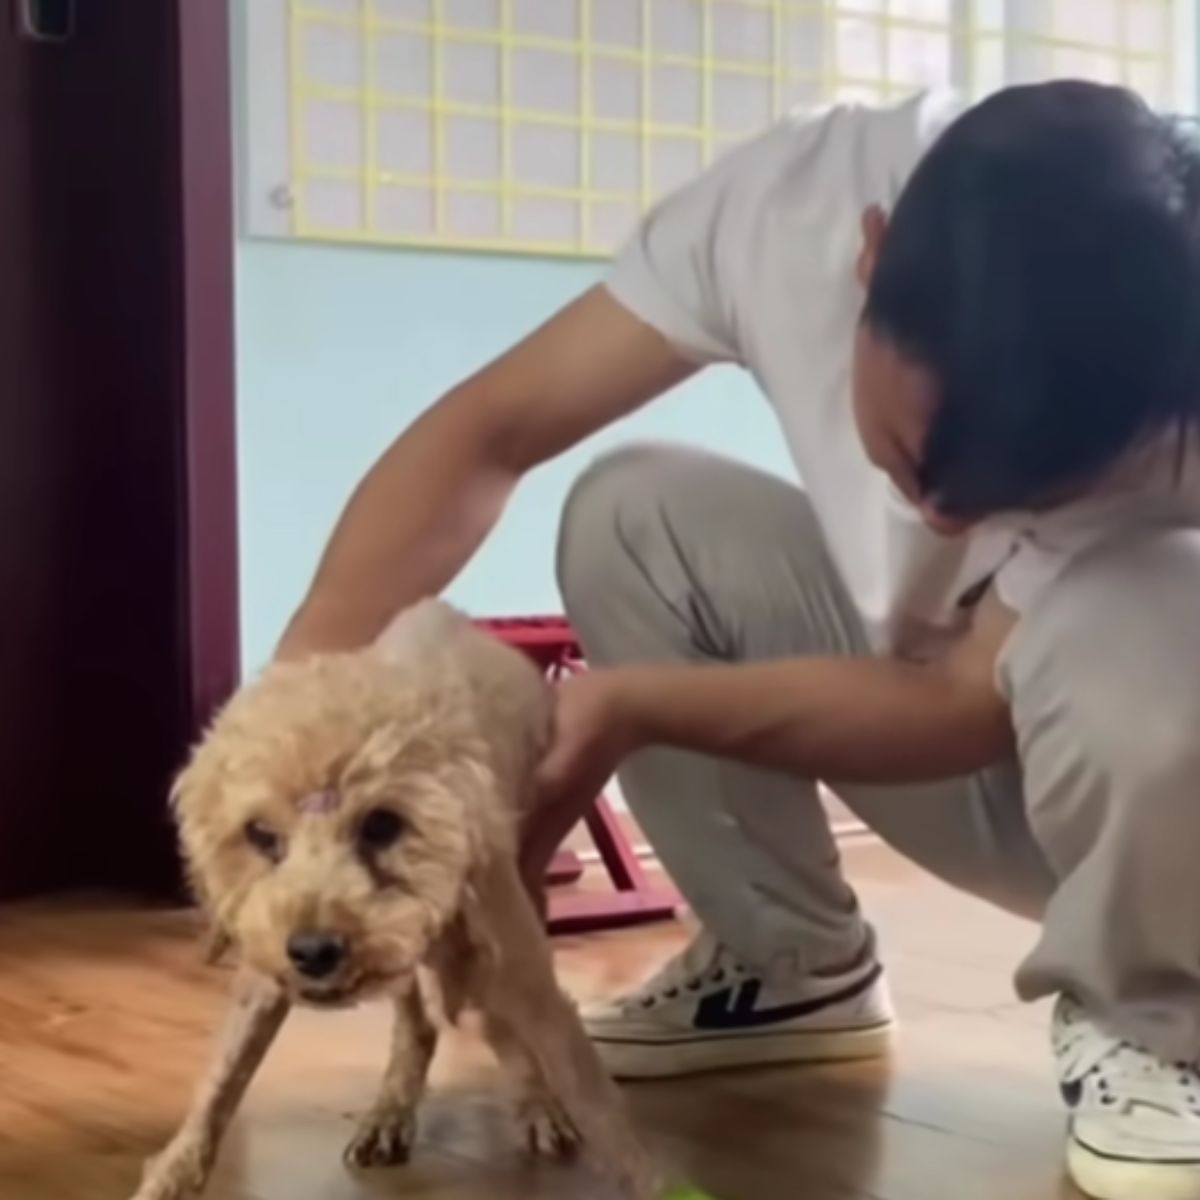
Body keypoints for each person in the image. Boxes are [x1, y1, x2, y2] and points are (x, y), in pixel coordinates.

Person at [277, 81, 1200, 1200]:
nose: (946, 519)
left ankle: (1159, 1019)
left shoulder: (1162, 366)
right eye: (917, 460)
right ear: (870, 259)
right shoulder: (791, 206)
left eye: (1013, 490)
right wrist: (294, 709)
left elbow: (965, 699)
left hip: (1147, 782)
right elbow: (493, 429)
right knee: (637, 513)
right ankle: (785, 964)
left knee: (1147, 604)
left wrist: (636, 709)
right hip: (998, 726)